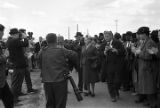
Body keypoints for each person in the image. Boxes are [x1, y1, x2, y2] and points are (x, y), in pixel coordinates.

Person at [39, 33, 78, 108]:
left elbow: (40, 65)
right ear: (56, 40)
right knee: (60, 103)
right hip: (60, 81)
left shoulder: (42, 51)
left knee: (50, 103)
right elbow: (75, 55)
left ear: (47, 41)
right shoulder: (61, 50)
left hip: (47, 81)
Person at [132, 27, 158, 108]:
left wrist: (138, 53)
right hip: (144, 67)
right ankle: (149, 101)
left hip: (148, 68)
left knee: (150, 87)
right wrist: (136, 51)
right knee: (146, 86)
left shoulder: (150, 42)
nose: (138, 36)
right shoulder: (144, 42)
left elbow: (150, 56)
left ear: (144, 34)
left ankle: (154, 103)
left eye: (140, 34)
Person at [6, 28, 29, 104]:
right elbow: (25, 44)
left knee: (17, 82)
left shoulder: (10, 41)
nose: (19, 35)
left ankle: (16, 97)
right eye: (17, 34)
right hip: (18, 65)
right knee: (16, 83)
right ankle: (14, 101)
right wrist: (25, 37)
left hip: (15, 64)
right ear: (14, 34)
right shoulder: (14, 40)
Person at [102, 31, 125, 102]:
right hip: (108, 65)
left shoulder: (117, 42)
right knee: (110, 81)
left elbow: (123, 51)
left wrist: (116, 50)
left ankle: (116, 90)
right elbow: (99, 53)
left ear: (111, 36)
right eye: (105, 36)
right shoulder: (104, 43)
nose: (106, 38)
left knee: (117, 80)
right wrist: (104, 52)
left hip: (117, 64)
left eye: (107, 36)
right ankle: (112, 95)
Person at [0, 24, 14, 108]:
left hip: (2, 79)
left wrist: (8, 64)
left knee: (9, 99)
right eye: (2, 32)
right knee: (8, 99)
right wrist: (5, 55)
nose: (3, 34)